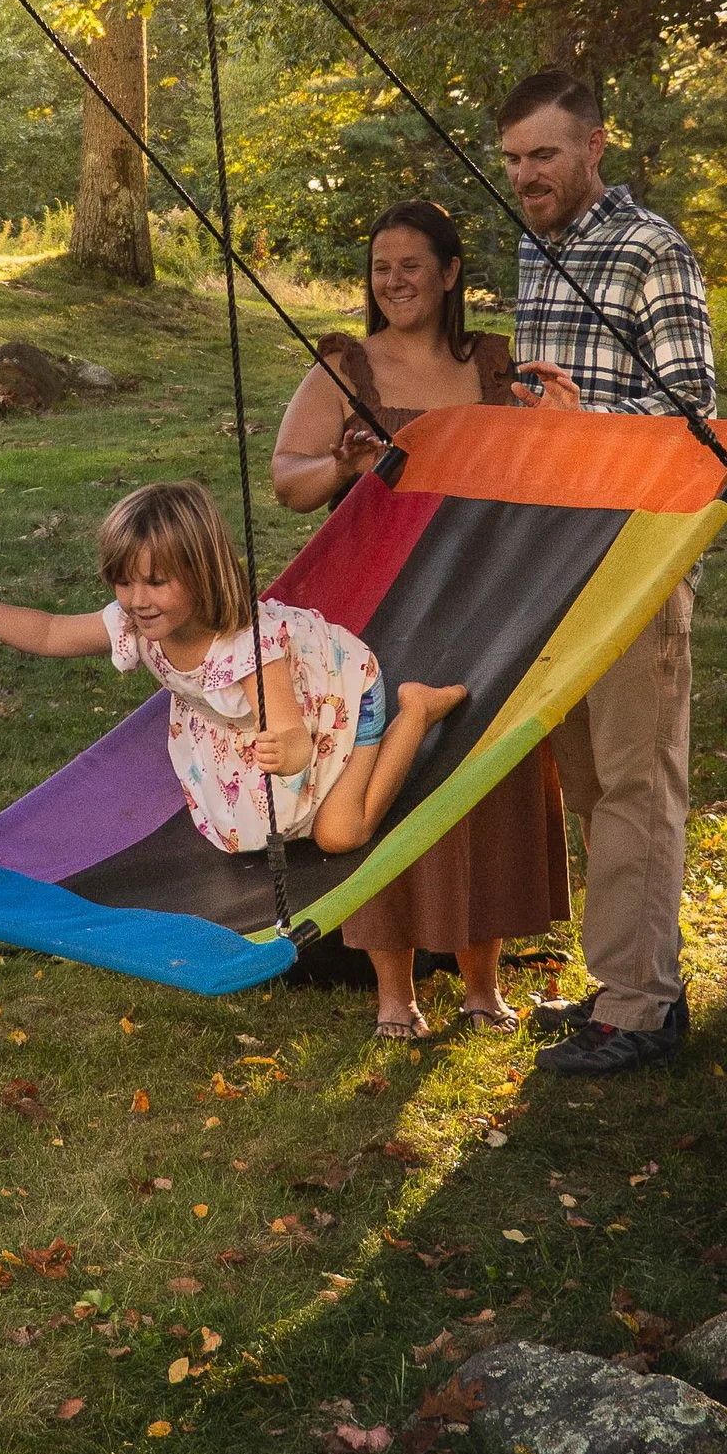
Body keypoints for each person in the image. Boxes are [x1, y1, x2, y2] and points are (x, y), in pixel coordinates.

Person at [271, 201, 573, 1041]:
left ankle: (482, 983)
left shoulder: (494, 365)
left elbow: (539, 474)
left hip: (482, 595)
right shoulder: (344, 365)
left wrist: (558, 429)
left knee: (487, 764)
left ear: (449, 273)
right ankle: (393, 992)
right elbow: (287, 482)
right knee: (382, 780)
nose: (395, 281)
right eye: (381, 267)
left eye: (412, 265)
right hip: (374, 605)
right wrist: (342, 464)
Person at [501, 67, 716, 1075]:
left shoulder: (649, 250)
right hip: (554, 557)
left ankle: (640, 1010)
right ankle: (618, 984)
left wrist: (581, 422)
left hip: (636, 555)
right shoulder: (533, 246)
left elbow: (700, 426)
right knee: (588, 781)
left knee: (638, 779)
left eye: (543, 155)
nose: (525, 175)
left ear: (595, 146)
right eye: (511, 159)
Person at [0, 477, 465, 859]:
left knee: (339, 835)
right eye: (124, 581)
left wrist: (289, 750)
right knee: (250, 828)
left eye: (157, 583)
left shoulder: (249, 647)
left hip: (333, 695)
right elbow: (49, 632)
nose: (137, 599)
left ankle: (416, 712)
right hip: (246, 720)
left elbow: (295, 737)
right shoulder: (139, 620)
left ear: (203, 576)